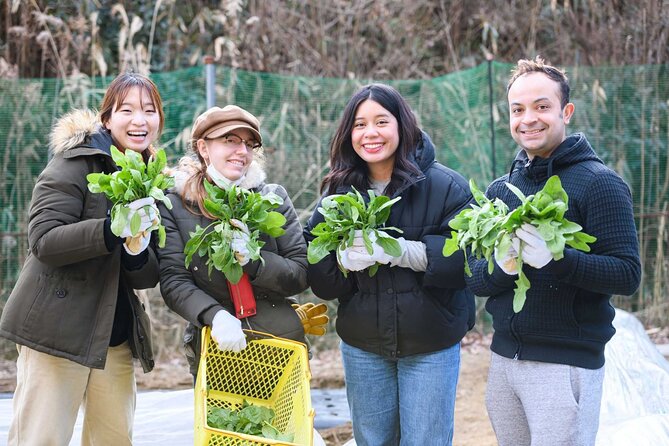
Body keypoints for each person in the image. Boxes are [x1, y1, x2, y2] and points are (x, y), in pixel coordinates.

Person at [466, 56, 641, 446]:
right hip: (505, 361)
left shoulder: (599, 184)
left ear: (566, 111)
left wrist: (558, 259)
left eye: (542, 106)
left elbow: (627, 274)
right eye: (518, 109)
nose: (529, 118)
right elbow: (474, 276)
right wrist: (501, 266)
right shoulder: (500, 191)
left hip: (566, 363)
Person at [304, 83, 475, 445]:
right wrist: (342, 262)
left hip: (430, 344)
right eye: (360, 124)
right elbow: (322, 279)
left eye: (381, 121)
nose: (370, 133)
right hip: (364, 347)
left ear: (402, 125)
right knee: (373, 441)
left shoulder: (447, 187)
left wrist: (401, 251)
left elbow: (468, 261)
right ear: (348, 134)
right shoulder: (337, 195)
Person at [0, 72, 163, 445]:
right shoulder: (76, 162)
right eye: (128, 110)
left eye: (150, 111)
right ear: (107, 118)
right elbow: (44, 241)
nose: (140, 120)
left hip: (115, 336)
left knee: (114, 439)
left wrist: (137, 252)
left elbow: (147, 274)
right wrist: (111, 230)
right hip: (56, 330)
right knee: (41, 438)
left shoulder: (152, 180)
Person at [157, 105, 310, 379]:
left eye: (249, 144)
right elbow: (174, 281)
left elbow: (300, 274)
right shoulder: (175, 205)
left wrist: (254, 262)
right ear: (204, 148)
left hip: (281, 346)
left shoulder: (272, 199)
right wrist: (214, 315)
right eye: (230, 140)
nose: (243, 152)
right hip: (217, 348)